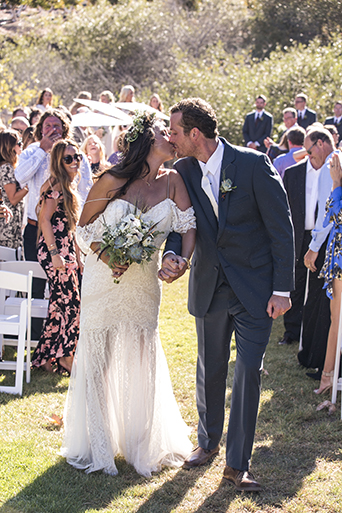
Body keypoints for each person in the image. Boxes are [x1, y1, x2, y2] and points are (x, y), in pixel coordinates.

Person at [160, 98, 294, 491]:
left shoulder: (253, 164)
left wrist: (282, 289)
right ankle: (207, 442)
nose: (172, 138)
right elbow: (179, 223)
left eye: (175, 131)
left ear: (194, 134)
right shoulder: (182, 170)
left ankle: (238, 464)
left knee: (248, 373)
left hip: (256, 290)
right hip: (210, 287)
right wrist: (173, 254)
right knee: (210, 368)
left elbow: (281, 229)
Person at [61, 113, 196, 477]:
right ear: (148, 142)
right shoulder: (112, 179)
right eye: (163, 132)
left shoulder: (174, 181)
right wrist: (108, 255)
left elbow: (188, 226)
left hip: (143, 285)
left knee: (141, 358)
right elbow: (84, 228)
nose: (171, 136)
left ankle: (140, 445)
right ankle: (100, 444)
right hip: (104, 281)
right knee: (100, 361)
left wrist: (180, 259)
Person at [15, 109, 92, 339]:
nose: (53, 129)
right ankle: (37, 337)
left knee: (68, 287)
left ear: (65, 128)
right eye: (47, 125)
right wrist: (42, 151)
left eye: (57, 125)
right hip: (35, 228)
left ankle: (63, 340)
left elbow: (84, 188)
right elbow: (19, 177)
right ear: (40, 129)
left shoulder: (76, 155)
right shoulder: (32, 151)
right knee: (37, 285)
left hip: (67, 229)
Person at [31, 139, 81, 374]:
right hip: (54, 250)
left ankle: (45, 358)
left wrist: (78, 257)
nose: (75, 162)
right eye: (68, 158)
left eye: (77, 157)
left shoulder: (68, 184)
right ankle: (65, 357)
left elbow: (71, 226)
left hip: (66, 247)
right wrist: (55, 255)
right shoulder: (55, 185)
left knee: (61, 304)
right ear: (58, 162)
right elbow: (44, 221)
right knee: (71, 303)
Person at [315, 151, 342, 394]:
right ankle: (328, 375)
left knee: (338, 320)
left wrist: (336, 182)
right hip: (337, 260)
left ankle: (328, 376)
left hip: (341, 262)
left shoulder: (338, 187)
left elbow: (334, 216)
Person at [0, 129, 28, 252]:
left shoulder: (11, 166)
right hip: (8, 226)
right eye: (19, 143)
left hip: (13, 223)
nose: (21, 146)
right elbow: (13, 198)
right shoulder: (6, 168)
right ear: (10, 146)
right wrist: (28, 187)